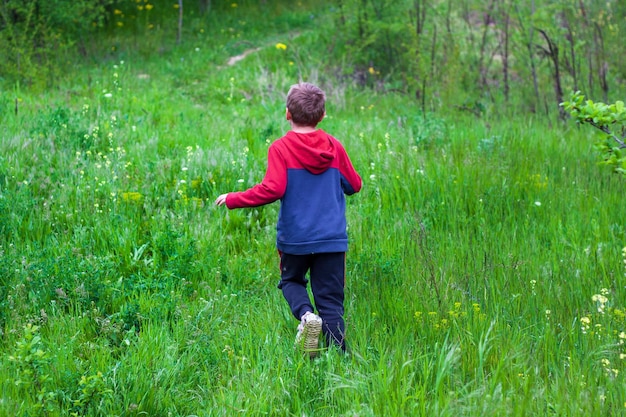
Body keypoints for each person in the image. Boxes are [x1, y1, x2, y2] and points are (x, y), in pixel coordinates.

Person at [215, 82, 362, 357]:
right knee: (331, 301)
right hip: (331, 239)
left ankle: (306, 317)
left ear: (287, 113)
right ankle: (338, 360)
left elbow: (273, 189)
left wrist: (234, 198)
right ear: (322, 115)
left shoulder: (280, 148)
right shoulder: (335, 148)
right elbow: (354, 185)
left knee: (291, 281)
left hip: (295, 238)